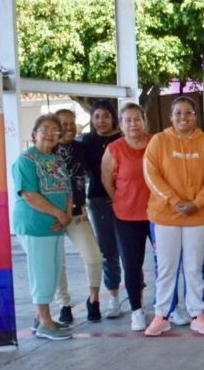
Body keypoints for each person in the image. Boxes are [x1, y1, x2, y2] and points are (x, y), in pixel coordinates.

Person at [142, 97, 204, 337]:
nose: (183, 117)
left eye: (188, 113)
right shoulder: (159, 141)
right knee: (166, 267)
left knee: (193, 267)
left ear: (195, 116)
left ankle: (197, 314)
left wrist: (196, 203)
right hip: (165, 216)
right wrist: (175, 201)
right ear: (170, 116)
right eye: (178, 113)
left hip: (198, 216)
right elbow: (151, 174)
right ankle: (162, 315)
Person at [12, 114, 72, 340]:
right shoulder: (26, 160)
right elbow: (28, 195)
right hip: (35, 225)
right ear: (34, 133)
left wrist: (66, 214)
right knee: (42, 273)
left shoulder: (57, 160)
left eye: (54, 130)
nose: (49, 133)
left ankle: (40, 319)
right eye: (44, 129)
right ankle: (46, 323)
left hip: (57, 225)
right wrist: (58, 213)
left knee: (53, 271)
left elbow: (67, 189)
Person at [101, 103, 154, 332]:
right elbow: (107, 181)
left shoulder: (156, 142)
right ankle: (137, 310)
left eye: (137, 119)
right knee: (132, 265)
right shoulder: (114, 149)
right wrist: (122, 199)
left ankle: (166, 308)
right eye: (127, 120)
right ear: (121, 125)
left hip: (158, 214)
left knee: (167, 264)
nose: (133, 124)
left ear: (144, 120)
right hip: (127, 216)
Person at [50, 109, 105, 325]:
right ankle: (64, 304)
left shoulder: (82, 148)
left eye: (72, 123)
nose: (70, 127)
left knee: (94, 257)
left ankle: (94, 300)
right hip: (52, 215)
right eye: (64, 123)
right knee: (57, 262)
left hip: (77, 212)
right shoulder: (47, 151)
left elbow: (100, 170)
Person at [79, 100, 124, 321]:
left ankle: (138, 298)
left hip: (125, 201)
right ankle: (113, 298)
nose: (101, 121)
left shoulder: (123, 138)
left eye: (105, 116)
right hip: (98, 200)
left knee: (129, 251)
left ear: (113, 117)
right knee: (108, 252)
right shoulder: (87, 140)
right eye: (96, 116)